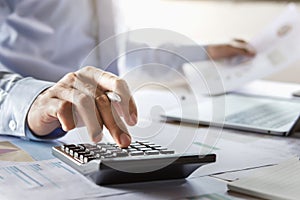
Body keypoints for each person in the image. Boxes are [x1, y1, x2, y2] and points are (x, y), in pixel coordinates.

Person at [0, 0, 255, 147]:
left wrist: (203, 52)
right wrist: (32, 101)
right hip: (26, 129)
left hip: (100, 132)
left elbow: (114, 49)